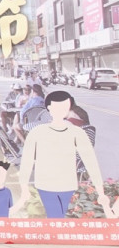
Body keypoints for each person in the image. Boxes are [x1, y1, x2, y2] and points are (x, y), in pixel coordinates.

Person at [16, 89, 109, 220]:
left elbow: (91, 162)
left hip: (62, 181)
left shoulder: (73, 129)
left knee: (59, 215)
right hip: (52, 181)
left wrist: (101, 192)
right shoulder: (42, 132)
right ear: (49, 109)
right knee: (57, 215)